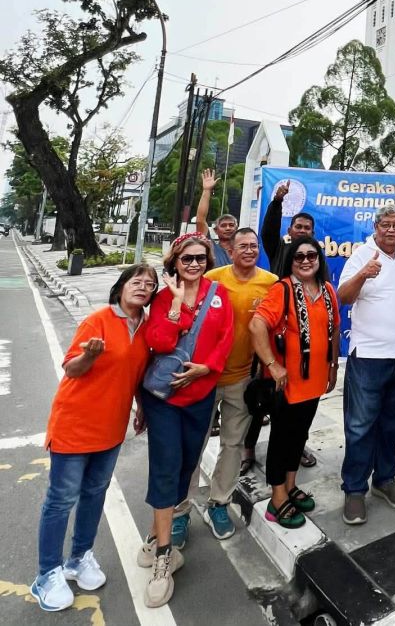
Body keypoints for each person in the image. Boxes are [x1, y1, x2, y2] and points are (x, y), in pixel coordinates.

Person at [31, 266, 156, 612]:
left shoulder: (146, 328)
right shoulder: (98, 320)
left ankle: (78, 557)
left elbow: (137, 373)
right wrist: (90, 355)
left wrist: (141, 406)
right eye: (136, 281)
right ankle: (47, 574)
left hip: (111, 429)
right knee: (61, 500)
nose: (143, 287)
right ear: (121, 287)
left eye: (149, 284)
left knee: (94, 494)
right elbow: (71, 369)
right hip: (75, 425)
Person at [139, 233, 234, 608]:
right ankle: (164, 556)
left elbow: (226, 338)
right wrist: (177, 305)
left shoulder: (219, 294)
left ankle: (155, 533)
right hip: (164, 399)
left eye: (200, 258)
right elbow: (160, 342)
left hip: (201, 395)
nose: (194, 264)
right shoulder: (164, 298)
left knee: (185, 467)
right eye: (186, 259)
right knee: (166, 467)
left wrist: (206, 368)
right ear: (174, 263)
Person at [171, 227, 278, 541]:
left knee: (232, 445)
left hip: (242, 379)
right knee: (193, 445)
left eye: (253, 245)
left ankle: (219, 503)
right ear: (230, 251)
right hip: (202, 377)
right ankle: (179, 511)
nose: (249, 250)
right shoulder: (212, 279)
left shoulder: (271, 283)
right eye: (243, 246)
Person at [249, 236, 340, 530]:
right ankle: (277, 499)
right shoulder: (283, 290)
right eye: (299, 256)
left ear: (319, 259)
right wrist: (272, 365)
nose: (305, 261)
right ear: (291, 261)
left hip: (314, 382)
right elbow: (256, 325)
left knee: (299, 436)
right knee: (281, 439)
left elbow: (334, 330)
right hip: (287, 385)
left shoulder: (327, 290)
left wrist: (333, 366)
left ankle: (290, 486)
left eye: (311, 255)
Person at [337, 205, 395, 525]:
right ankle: (354, 489)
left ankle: (384, 479)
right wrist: (363, 274)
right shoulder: (362, 254)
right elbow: (343, 296)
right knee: (360, 426)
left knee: (393, 424)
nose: (391, 230)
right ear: (375, 225)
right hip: (369, 357)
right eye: (386, 225)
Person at [258, 179, 318, 468]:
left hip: (301, 340)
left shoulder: (314, 261)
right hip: (274, 334)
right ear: (290, 230)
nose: (302, 231)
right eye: (298, 227)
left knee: (299, 400)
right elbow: (268, 231)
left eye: (307, 228)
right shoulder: (277, 249)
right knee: (265, 394)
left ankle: (298, 446)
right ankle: (248, 451)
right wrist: (277, 202)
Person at [196, 169, 236, 268]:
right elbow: (200, 220)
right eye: (223, 225)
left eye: (231, 225)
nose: (228, 228)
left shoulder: (243, 251)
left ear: (237, 229)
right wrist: (206, 190)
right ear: (216, 230)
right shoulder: (210, 247)